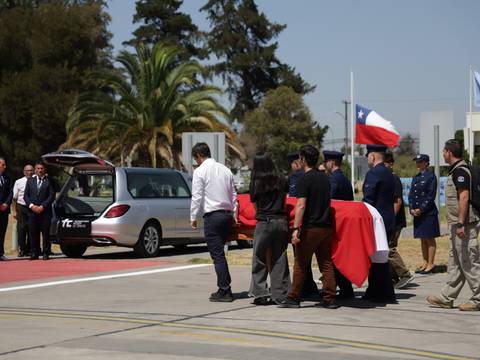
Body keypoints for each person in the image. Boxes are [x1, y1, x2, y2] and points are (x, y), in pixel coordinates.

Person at [278, 145, 338, 309]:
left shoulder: (304, 179)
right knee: (326, 263)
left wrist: (296, 228)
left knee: (301, 263)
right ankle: (330, 298)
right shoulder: (325, 178)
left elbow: (301, 205)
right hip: (326, 226)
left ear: (303, 159)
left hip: (311, 227)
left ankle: (293, 297)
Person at [427, 139, 480, 311]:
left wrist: (461, 223)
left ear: (449, 152)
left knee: (468, 262)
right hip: (458, 225)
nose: (442, 154)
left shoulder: (460, 172)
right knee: (456, 262)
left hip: (464, 225)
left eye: (443, 151)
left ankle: (479, 298)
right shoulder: (456, 171)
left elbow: (463, 197)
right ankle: (447, 297)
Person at [190, 143, 237, 302]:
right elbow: (233, 195)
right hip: (227, 215)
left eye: (195, 159)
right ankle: (224, 287)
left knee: (217, 255)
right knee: (221, 254)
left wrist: (193, 217)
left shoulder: (200, 171)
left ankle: (225, 290)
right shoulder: (225, 169)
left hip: (213, 217)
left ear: (198, 156)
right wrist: (234, 214)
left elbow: (196, 196)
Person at [249, 153, 290, 305]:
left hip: (264, 222)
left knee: (259, 257)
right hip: (281, 221)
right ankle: (280, 294)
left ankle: (259, 292)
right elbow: (285, 200)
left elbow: (254, 205)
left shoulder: (255, 182)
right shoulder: (281, 178)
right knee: (279, 258)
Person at [362, 145, 396, 303]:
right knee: (382, 258)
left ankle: (377, 292)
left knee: (375, 259)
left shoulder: (373, 174)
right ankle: (385, 291)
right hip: (388, 220)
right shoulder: (389, 174)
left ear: (372, 157)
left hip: (376, 222)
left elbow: (368, 200)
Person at [323, 150, 355, 299]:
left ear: (331, 163)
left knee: (335, 258)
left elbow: (330, 201)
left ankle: (345, 288)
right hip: (345, 223)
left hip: (336, 223)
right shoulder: (344, 178)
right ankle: (344, 288)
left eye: (326, 162)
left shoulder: (334, 179)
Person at [384, 153, 413, 289]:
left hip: (395, 221)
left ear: (391, 164)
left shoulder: (394, 179)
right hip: (389, 221)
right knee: (384, 250)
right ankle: (393, 278)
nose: (384, 166)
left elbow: (398, 201)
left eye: (386, 163)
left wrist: (390, 219)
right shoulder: (386, 179)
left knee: (389, 248)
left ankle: (405, 274)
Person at [409, 154, 440, 274]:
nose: (418, 164)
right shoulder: (415, 177)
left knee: (429, 238)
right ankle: (425, 262)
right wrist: (412, 208)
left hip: (427, 213)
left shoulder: (431, 177)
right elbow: (411, 195)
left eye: (420, 162)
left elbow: (430, 196)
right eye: (417, 161)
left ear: (426, 163)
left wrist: (420, 209)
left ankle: (431, 263)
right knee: (422, 238)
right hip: (417, 213)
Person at [24, 161, 55, 260]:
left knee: (45, 233)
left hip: (45, 212)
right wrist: (32, 206)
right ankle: (34, 252)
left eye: (41, 168)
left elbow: (51, 196)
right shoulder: (30, 181)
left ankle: (46, 252)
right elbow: (26, 196)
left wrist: (42, 206)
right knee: (33, 233)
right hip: (32, 212)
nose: (40, 170)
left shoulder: (49, 181)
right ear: (35, 170)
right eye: (38, 168)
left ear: (44, 169)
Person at [12, 164, 34, 257]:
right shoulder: (18, 182)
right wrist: (14, 210)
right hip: (21, 207)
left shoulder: (36, 180)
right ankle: (22, 249)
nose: (29, 172)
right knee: (21, 229)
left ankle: (30, 249)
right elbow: (14, 198)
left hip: (32, 207)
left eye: (31, 170)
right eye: (27, 170)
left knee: (31, 228)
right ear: (24, 172)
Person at [0, 157, 13, 261]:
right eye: (3, 164)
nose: (5, 166)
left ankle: (0, 253)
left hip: (4, 209)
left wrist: (6, 204)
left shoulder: (7, 178)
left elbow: (10, 192)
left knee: (2, 231)